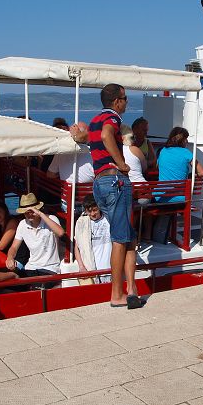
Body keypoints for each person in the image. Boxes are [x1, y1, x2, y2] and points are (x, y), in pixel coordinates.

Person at [85, 83, 142, 308]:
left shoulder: (94, 120)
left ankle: (131, 289)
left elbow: (90, 138)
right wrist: (122, 164)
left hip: (99, 182)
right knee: (119, 238)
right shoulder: (113, 118)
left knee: (128, 237)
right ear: (117, 101)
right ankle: (117, 294)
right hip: (114, 181)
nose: (127, 102)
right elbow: (107, 135)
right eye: (125, 98)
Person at [5, 193, 65, 281]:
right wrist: (10, 258)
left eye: (32, 211)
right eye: (26, 212)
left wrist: (40, 214)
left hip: (50, 269)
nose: (29, 214)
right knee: (9, 280)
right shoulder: (22, 224)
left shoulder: (51, 219)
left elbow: (60, 233)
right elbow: (14, 247)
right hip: (30, 267)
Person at [157, 127, 203, 202]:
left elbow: (159, 168)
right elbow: (202, 173)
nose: (187, 141)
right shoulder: (186, 152)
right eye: (186, 139)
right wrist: (190, 175)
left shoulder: (162, 151)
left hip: (159, 197)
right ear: (182, 140)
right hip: (179, 199)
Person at [74, 195, 112, 284]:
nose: (92, 214)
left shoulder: (109, 219)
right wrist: (81, 267)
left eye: (95, 210)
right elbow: (77, 247)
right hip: (91, 271)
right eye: (89, 211)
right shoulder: (81, 223)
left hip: (111, 269)